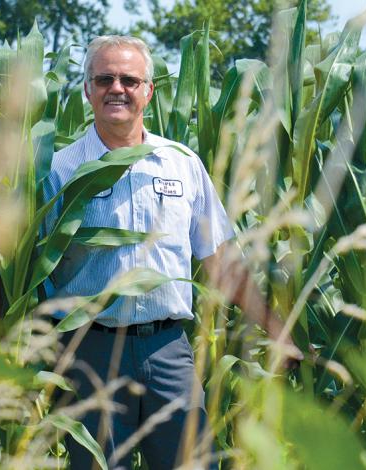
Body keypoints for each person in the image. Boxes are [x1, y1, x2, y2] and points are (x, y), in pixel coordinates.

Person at [42, 35, 300, 470]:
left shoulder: (181, 163)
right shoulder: (59, 171)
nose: (116, 88)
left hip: (168, 350)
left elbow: (222, 261)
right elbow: (19, 271)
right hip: (90, 353)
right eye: (104, 79)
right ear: (87, 89)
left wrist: (277, 330)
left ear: (149, 90)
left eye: (129, 79)